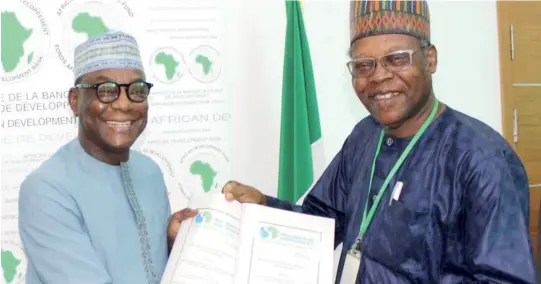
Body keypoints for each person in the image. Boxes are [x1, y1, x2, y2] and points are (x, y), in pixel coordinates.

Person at [219, 1, 537, 283]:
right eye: (363, 65)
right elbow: (323, 222)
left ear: (430, 60)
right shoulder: (364, 136)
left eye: (397, 59)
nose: (378, 76)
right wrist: (264, 206)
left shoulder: (482, 159)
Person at [18, 31, 197, 284]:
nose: (124, 104)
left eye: (136, 90)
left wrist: (170, 244)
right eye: (106, 90)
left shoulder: (149, 171)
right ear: (75, 100)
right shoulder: (46, 189)